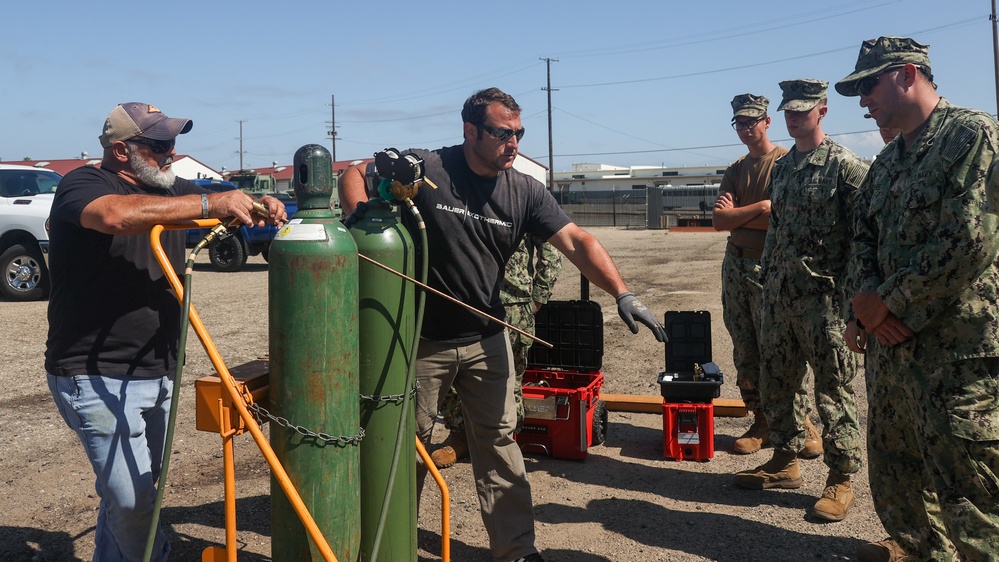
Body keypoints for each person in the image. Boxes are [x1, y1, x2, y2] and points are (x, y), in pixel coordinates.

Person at [340, 87, 666, 562]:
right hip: (420, 341)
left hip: (486, 339)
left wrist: (623, 292)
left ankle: (515, 551)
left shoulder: (523, 191)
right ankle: (392, 546)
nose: (512, 143)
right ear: (470, 131)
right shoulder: (427, 169)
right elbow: (356, 172)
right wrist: (361, 221)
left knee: (498, 443)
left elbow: (576, 240)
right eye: (501, 133)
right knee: (405, 445)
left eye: (518, 133)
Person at [45, 102, 286, 561]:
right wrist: (208, 203)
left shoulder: (171, 186)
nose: (172, 153)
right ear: (120, 150)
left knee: (135, 490)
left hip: (157, 368)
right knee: (134, 500)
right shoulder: (83, 185)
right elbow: (116, 215)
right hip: (96, 373)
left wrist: (257, 202)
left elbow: (219, 195)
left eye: (172, 143)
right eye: (158, 145)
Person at [837, 36, 999, 561]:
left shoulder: (973, 135)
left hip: (956, 353)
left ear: (908, 74)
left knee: (972, 493)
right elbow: (860, 237)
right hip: (892, 353)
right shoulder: (886, 162)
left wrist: (890, 302)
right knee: (896, 475)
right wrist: (862, 308)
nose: (863, 100)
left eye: (869, 85)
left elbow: (971, 238)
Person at [733, 80, 867, 523]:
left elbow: (865, 237)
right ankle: (785, 461)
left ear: (822, 111)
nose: (793, 118)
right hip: (780, 298)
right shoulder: (786, 167)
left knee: (833, 392)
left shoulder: (845, 167)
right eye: (789, 111)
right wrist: (768, 281)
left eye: (802, 111)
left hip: (824, 304)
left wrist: (856, 304)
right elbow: (777, 232)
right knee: (779, 383)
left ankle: (842, 477)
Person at [713, 94, 821, 457]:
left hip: (768, 266)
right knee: (746, 348)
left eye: (752, 121)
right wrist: (759, 207)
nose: (746, 129)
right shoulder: (736, 168)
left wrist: (742, 214)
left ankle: (801, 422)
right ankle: (761, 421)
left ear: (766, 121)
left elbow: (782, 218)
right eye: (739, 123)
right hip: (735, 265)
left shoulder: (785, 164)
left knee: (780, 349)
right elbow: (718, 222)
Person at [431, 234, 563, 469]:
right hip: (465, 302)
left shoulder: (521, 197)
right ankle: (460, 437)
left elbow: (552, 249)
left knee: (507, 381)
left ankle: (505, 442)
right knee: (455, 375)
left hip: (511, 306)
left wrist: (538, 297)